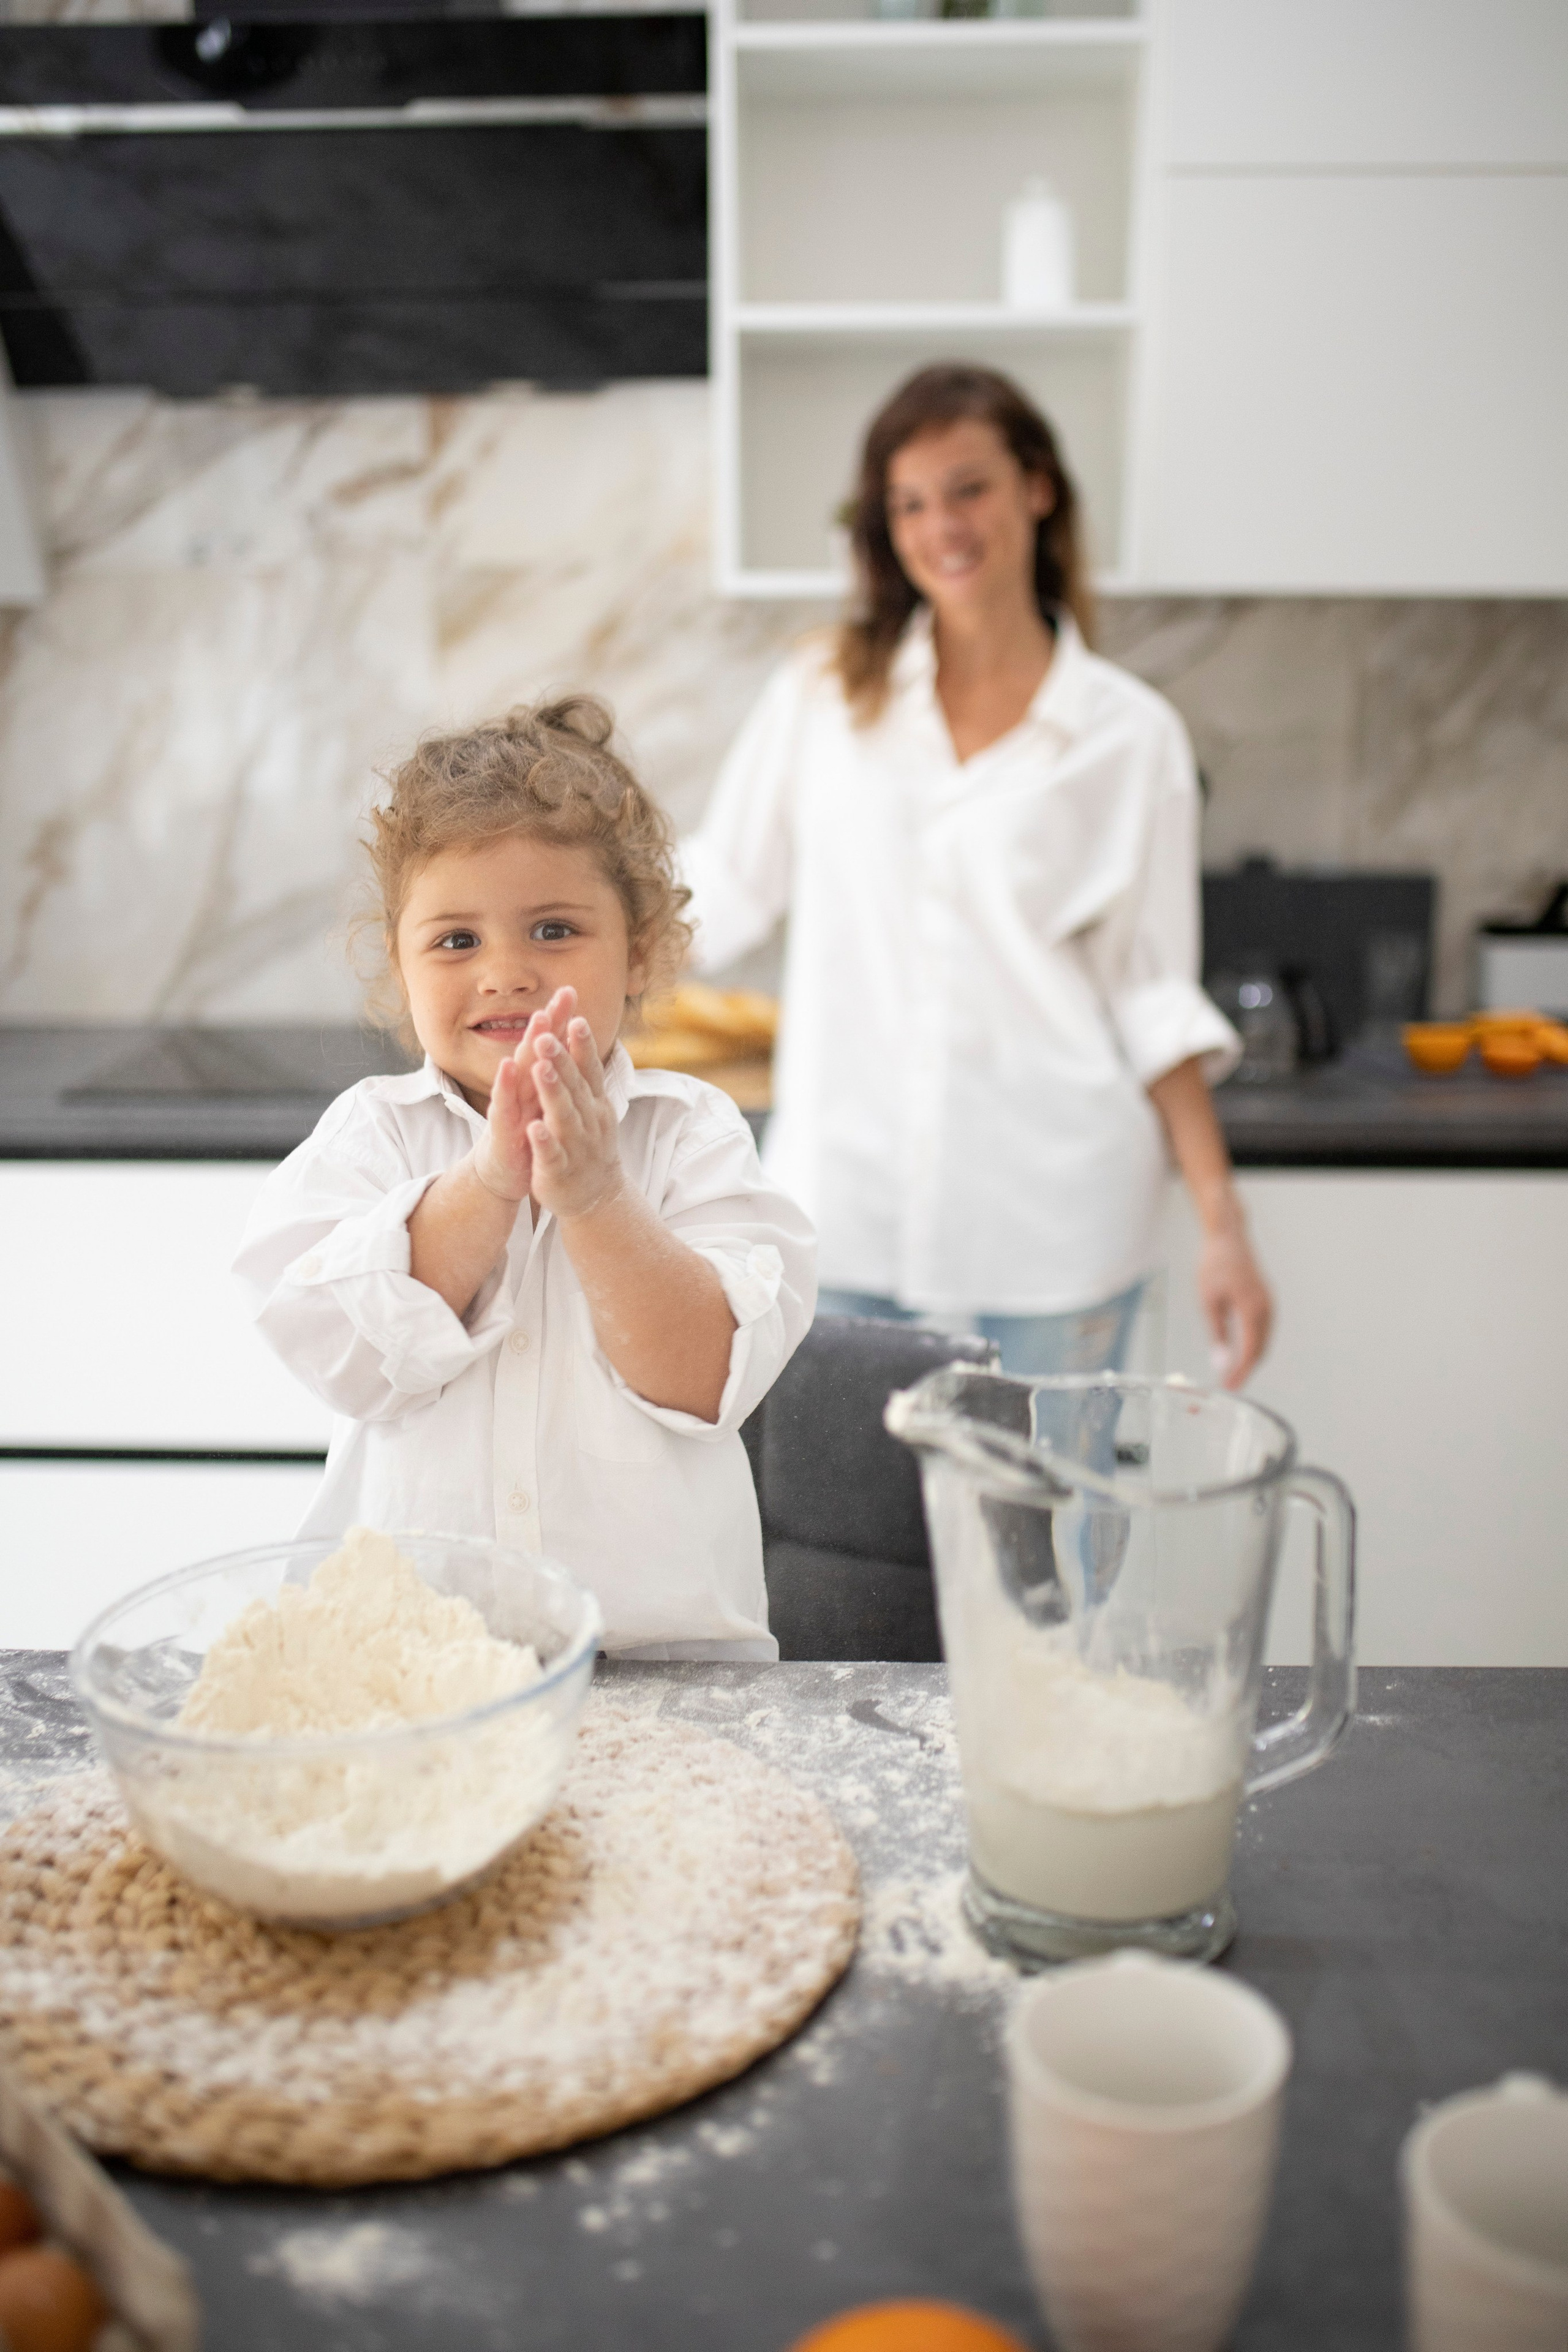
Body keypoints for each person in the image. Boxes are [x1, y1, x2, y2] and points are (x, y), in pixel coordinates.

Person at [682, 364, 1271, 1385]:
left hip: (1057, 1221)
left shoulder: (1130, 736)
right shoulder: (823, 695)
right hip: (845, 1206)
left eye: (968, 489)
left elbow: (1152, 994)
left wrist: (1224, 1227)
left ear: (1037, 488)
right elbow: (722, 886)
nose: (941, 526)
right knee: (835, 1497)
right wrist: (549, 930)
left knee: (1047, 1498)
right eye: (909, 503)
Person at [234, 698, 815, 1658]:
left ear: (640, 953)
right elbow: (341, 1354)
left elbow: (707, 1378)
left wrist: (597, 1200)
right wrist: (488, 1183)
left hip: (659, 1665)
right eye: (456, 941)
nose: (505, 972)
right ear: (401, 965)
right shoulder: (370, 1137)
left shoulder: (690, 1135)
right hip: (406, 1664)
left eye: (552, 929)